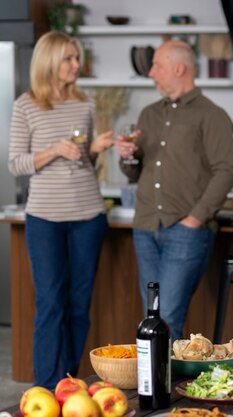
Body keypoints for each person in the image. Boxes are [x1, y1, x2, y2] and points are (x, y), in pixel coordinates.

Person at [8, 31, 115, 389]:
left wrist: (95, 148)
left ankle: (67, 382)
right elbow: (15, 164)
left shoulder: (85, 104)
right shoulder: (25, 105)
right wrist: (54, 149)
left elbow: (83, 158)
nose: (75, 64)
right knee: (51, 304)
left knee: (78, 305)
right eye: (69, 58)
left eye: (76, 57)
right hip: (45, 219)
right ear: (50, 61)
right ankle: (46, 385)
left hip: (88, 215)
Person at [115, 40, 233, 342]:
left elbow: (226, 172)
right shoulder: (148, 115)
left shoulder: (212, 116)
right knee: (152, 316)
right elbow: (134, 172)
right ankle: (153, 387)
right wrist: (128, 156)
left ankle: (162, 388)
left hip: (186, 231)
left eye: (157, 66)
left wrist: (195, 218)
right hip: (145, 227)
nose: (151, 72)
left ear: (179, 68)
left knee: (167, 317)